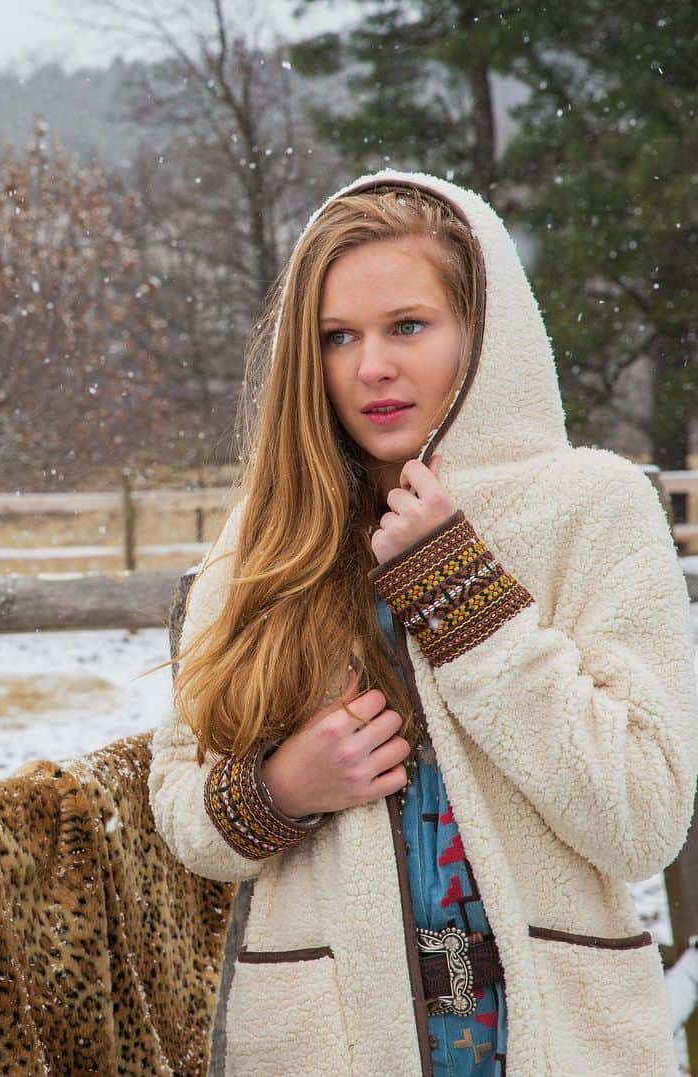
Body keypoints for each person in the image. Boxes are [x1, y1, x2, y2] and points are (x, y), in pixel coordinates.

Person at [148, 168, 698, 1076]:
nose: (372, 367)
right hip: (328, 1047)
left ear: (483, 331)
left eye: (408, 325)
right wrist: (281, 790)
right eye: (338, 337)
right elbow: (181, 802)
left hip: (564, 1044)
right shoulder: (268, 533)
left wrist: (464, 598)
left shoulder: (593, 507)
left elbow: (643, 815)